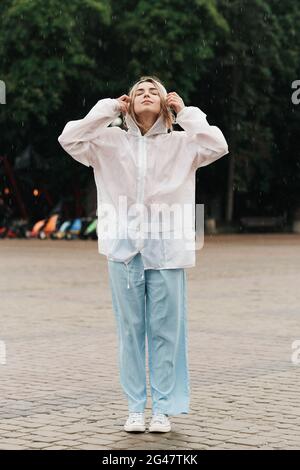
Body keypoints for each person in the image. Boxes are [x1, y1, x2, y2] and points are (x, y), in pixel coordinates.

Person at [58, 75, 229, 433]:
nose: (147, 94)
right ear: (129, 103)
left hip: (167, 251)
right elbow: (69, 137)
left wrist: (187, 114)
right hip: (123, 250)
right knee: (130, 332)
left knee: (167, 332)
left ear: (166, 102)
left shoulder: (184, 143)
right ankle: (136, 407)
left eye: (155, 91)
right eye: (139, 91)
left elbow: (218, 146)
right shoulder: (107, 142)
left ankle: (163, 408)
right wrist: (108, 109)